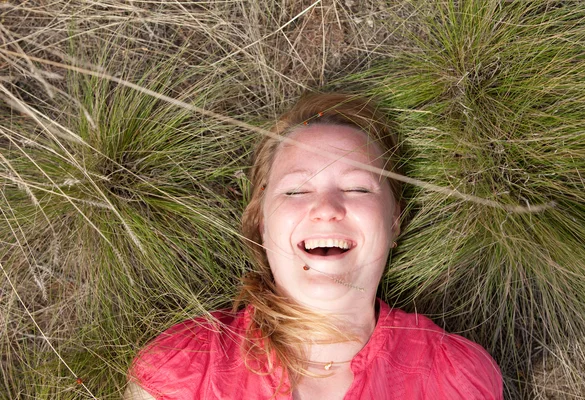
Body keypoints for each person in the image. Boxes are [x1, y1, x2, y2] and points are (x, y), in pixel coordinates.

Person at [124, 93, 503, 399]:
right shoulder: (183, 371)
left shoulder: (456, 377)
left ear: (393, 221)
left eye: (357, 188)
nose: (326, 209)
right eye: (296, 191)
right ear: (260, 220)